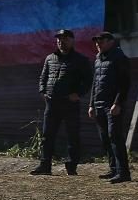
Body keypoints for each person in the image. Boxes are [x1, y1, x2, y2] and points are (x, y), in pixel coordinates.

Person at [30, 29, 92, 176]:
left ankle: (71, 166)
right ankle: (45, 165)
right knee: (47, 135)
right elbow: (43, 77)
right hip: (52, 103)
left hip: (70, 103)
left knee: (72, 135)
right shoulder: (50, 58)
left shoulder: (80, 60)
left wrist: (78, 94)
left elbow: (88, 80)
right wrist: (42, 91)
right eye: (59, 40)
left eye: (64, 39)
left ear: (72, 41)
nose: (61, 42)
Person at [89, 32, 132, 183]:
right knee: (105, 138)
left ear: (111, 42)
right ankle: (113, 169)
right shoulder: (98, 58)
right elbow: (95, 83)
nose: (98, 44)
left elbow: (125, 83)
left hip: (112, 105)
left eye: (101, 41)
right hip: (99, 104)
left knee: (115, 137)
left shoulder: (119, 58)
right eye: (96, 42)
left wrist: (117, 103)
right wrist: (91, 105)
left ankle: (123, 173)